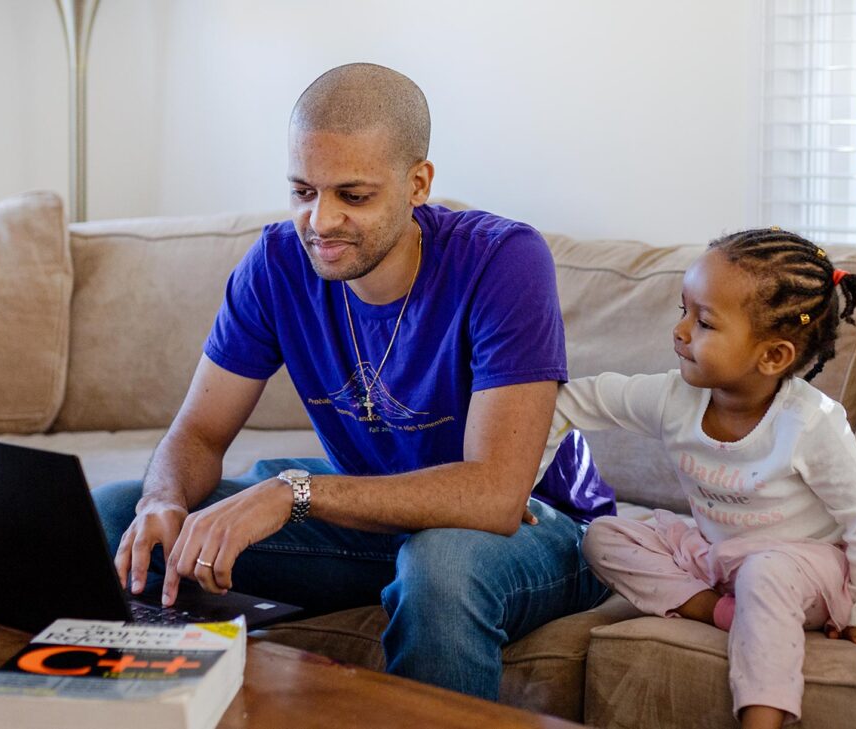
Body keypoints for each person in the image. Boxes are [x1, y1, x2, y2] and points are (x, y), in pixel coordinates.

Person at [92, 63, 611, 700]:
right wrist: (163, 503)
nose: (320, 220)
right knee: (119, 514)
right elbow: (198, 432)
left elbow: (496, 495)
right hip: (379, 524)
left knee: (439, 567)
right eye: (303, 191)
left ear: (418, 183)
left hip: (540, 526)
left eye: (353, 196)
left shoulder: (504, 261)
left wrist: (293, 492)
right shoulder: (278, 264)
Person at [544, 227, 856, 729]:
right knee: (604, 535)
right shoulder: (674, 398)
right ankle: (722, 613)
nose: (681, 332)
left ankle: (762, 716)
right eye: (682, 311)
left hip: (807, 570)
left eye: (705, 322)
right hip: (721, 556)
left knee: (766, 573)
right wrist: (518, 484)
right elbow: (567, 401)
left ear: (773, 356)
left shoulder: (810, 422)